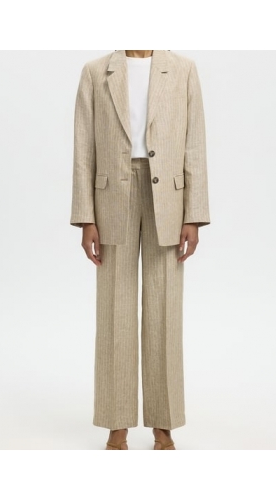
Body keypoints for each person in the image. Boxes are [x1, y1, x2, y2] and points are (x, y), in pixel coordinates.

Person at [70, 50, 210, 450]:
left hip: (169, 195)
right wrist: (85, 216)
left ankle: (163, 422)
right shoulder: (95, 72)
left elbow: (194, 144)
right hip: (111, 194)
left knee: (164, 309)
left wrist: (194, 214)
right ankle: (117, 421)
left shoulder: (183, 70)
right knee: (115, 309)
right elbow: (83, 148)